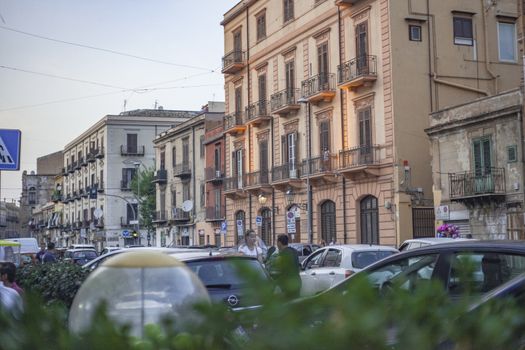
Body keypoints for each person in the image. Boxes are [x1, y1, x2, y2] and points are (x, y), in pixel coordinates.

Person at [273, 234, 301, 299]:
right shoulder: (294, 251)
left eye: (277, 242)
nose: (276, 244)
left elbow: (280, 270)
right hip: (297, 281)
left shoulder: (283, 255)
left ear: (279, 243)